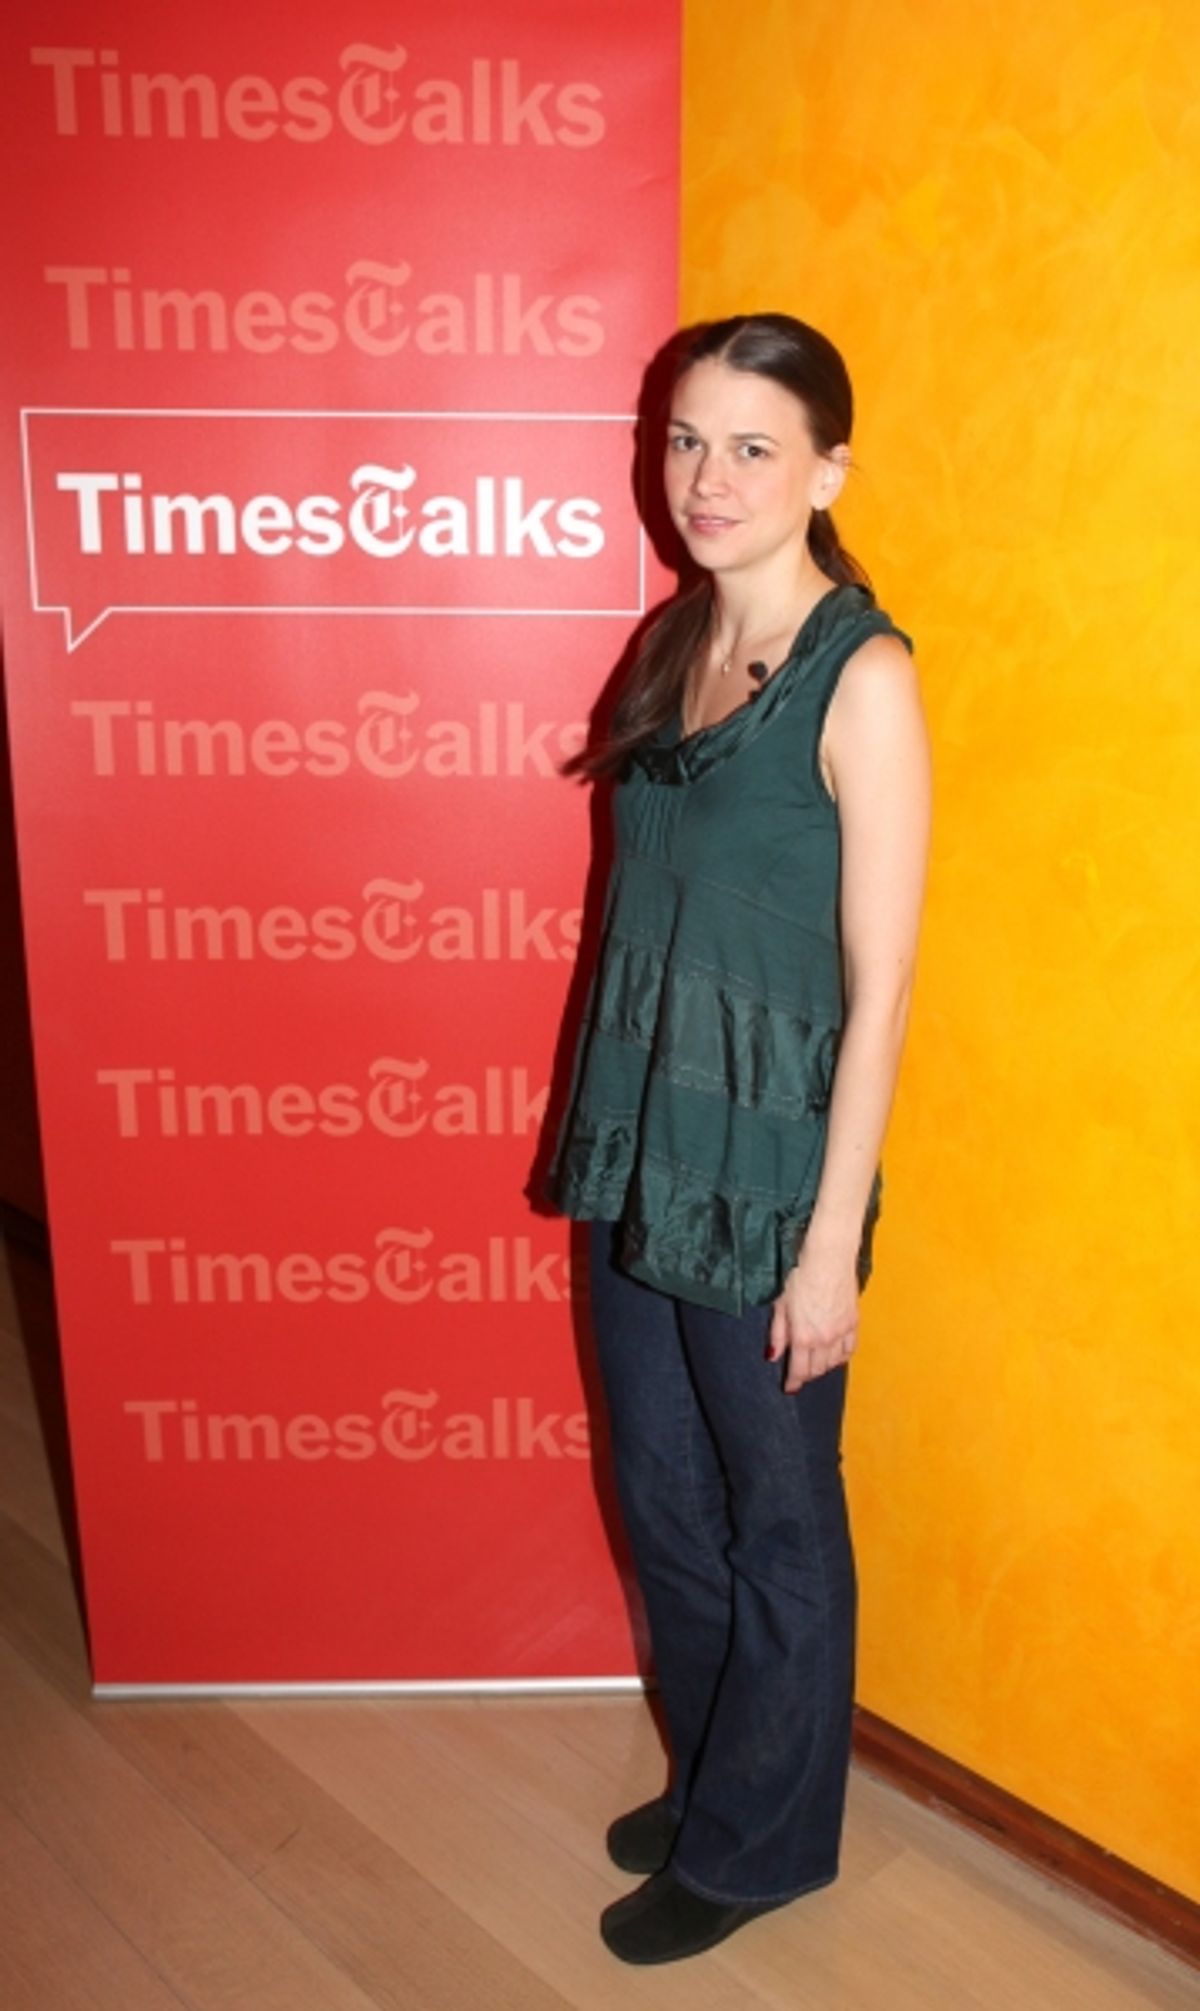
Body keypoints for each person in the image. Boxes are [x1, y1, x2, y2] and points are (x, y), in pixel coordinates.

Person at [542, 312, 932, 1964]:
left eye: (752, 448)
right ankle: (719, 1773)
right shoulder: (675, 640)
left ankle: (763, 1842)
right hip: (641, 1138)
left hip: (769, 1173)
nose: (705, 479)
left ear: (829, 471)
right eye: (686, 441)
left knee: (777, 1518)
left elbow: (882, 983)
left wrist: (829, 1247)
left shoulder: (867, 680)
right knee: (661, 1491)